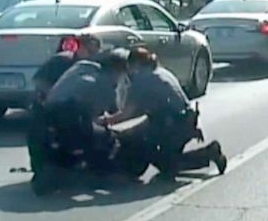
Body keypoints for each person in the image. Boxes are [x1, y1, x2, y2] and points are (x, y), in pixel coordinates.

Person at [100, 47, 226, 180]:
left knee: (162, 161)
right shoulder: (161, 72)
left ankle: (209, 153)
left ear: (134, 65)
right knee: (164, 158)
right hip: (185, 120)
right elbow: (147, 111)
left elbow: (128, 113)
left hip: (173, 124)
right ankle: (208, 153)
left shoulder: (142, 79)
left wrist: (105, 121)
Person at [35, 50, 131, 173]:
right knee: (107, 138)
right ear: (118, 70)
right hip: (70, 121)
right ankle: (101, 173)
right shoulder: (105, 83)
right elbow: (102, 115)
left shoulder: (80, 67)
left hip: (47, 117)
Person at [31, 34, 103, 102]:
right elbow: (38, 80)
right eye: (90, 51)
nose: (92, 56)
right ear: (80, 47)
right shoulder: (61, 60)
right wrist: (52, 94)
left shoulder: (95, 66)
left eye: (95, 52)